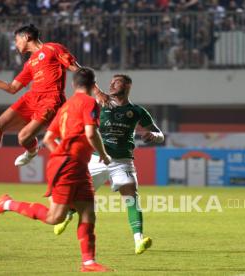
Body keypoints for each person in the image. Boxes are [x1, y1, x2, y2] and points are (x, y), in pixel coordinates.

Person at [0, 68, 113, 272]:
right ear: (93, 84)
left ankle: (88, 262)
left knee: (88, 211)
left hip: (73, 165)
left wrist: (63, 154)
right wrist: (103, 155)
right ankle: (6, 203)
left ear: (73, 84)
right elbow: (91, 133)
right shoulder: (90, 103)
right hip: (69, 166)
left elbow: (48, 139)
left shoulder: (66, 107)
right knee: (55, 218)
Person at [53, 74, 164, 255]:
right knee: (78, 195)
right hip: (95, 159)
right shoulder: (99, 104)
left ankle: (139, 239)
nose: (112, 84)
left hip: (122, 161)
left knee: (131, 195)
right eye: (111, 82)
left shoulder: (137, 111)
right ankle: (68, 215)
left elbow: (160, 134)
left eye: (117, 81)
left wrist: (154, 136)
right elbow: (85, 79)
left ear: (128, 85)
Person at [0, 24, 80, 177]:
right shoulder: (30, 63)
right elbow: (12, 88)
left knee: (23, 137)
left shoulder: (53, 48)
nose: (15, 44)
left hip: (50, 100)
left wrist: (95, 90)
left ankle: (32, 152)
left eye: (16, 40)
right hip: (31, 98)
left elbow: (77, 69)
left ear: (26, 37)